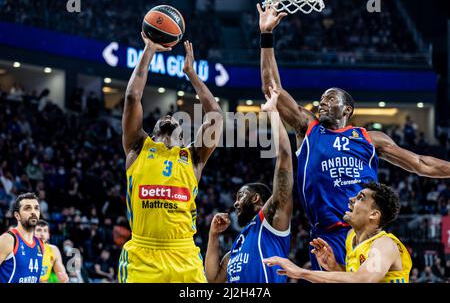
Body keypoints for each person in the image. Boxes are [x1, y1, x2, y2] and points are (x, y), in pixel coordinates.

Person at [257, 3, 450, 271]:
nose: (321, 103)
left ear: (347, 109)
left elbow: (420, 163)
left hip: (366, 233)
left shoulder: (370, 138)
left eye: (330, 99)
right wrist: (266, 36)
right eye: (321, 100)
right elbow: (272, 90)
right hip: (327, 234)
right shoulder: (308, 128)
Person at [119, 33, 223, 283]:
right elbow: (133, 97)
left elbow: (215, 115)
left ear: (183, 132)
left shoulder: (194, 157)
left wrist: (191, 74)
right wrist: (149, 51)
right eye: (163, 118)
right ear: (151, 130)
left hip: (184, 253)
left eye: (175, 118)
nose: (169, 117)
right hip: (143, 255)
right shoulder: (137, 147)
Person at [205, 84, 293, 283]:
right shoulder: (237, 245)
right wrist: (212, 235)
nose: (235, 203)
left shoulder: (271, 221)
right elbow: (213, 279)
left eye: (240, 196)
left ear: (255, 198)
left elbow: (285, 159)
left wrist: (272, 113)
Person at [264, 182, 413, 283]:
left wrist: (299, 272)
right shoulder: (351, 238)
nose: (351, 199)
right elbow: (354, 275)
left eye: (360, 198)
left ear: (374, 215)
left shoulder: (384, 244)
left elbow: (364, 279)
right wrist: (334, 266)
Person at [0, 193, 44, 283]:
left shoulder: (40, 244)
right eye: (27, 208)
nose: (33, 212)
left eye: (36, 208)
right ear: (17, 215)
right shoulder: (8, 239)